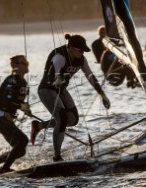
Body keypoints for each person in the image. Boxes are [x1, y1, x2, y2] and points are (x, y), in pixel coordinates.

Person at [30, 33, 111, 162]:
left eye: (84, 50)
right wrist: (57, 79)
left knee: (73, 119)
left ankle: (39, 126)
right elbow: (53, 71)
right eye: (80, 50)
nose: (82, 53)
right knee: (61, 118)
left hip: (61, 90)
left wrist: (102, 94)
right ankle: (57, 157)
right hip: (47, 89)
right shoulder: (60, 57)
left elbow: (90, 76)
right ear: (71, 47)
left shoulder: (81, 59)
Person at [0, 55, 30, 175]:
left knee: (19, 150)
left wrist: (25, 108)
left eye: (27, 62)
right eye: (23, 62)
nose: (27, 64)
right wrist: (21, 106)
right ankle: (4, 169)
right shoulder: (12, 79)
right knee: (23, 140)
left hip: (6, 119)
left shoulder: (22, 82)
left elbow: (17, 102)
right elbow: (7, 101)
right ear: (15, 66)